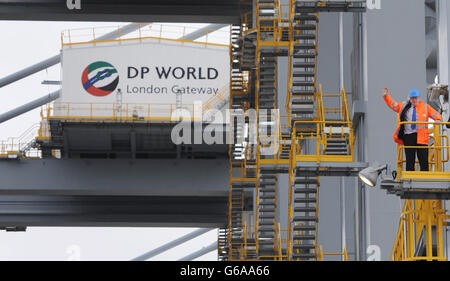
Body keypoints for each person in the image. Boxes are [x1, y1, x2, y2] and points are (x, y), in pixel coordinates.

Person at [383, 88, 442, 171]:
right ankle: (409, 175)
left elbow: (435, 114)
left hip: (422, 136)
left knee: (423, 158)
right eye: (412, 98)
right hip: (408, 136)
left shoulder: (425, 107)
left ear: (418, 98)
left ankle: (425, 176)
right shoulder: (403, 106)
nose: (414, 100)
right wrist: (386, 96)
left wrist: (438, 119)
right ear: (409, 99)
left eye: (415, 98)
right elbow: (393, 104)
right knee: (410, 159)